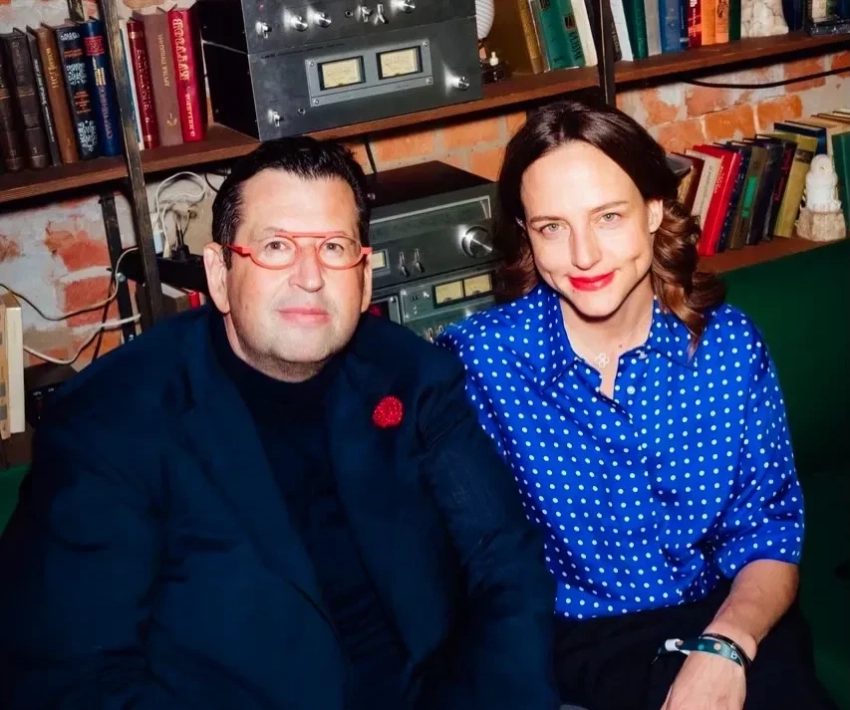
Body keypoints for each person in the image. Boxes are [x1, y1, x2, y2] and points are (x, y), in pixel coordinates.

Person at [0, 137, 559, 710]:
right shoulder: (109, 425)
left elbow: (506, 565)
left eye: (334, 248)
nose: (309, 277)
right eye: (275, 247)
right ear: (219, 274)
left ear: (364, 277)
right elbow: (70, 680)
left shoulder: (414, 377)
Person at [437, 98, 837, 710]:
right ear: (526, 234)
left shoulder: (727, 347)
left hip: (728, 610)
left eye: (607, 217)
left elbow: (769, 541)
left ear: (653, 209)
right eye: (552, 227)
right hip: (576, 638)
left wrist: (726, 646)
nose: (584, 255)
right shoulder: (482, 361)